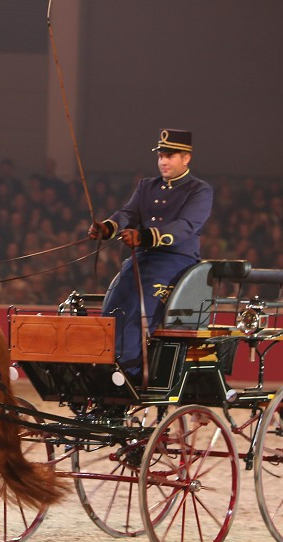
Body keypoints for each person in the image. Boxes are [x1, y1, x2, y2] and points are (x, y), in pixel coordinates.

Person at [88, 129, 213, 370]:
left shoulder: (199, 190)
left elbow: (185, 226)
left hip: (176, 263)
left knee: (138, 310)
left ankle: (130, 369)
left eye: (170, 156)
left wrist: (145, 236)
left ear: (186, 158)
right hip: (143, 259)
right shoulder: (147, 186)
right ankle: (105, 364)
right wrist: (107, 228)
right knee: (114, 305)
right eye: (161, 156)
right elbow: (128, 214)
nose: (163, 162)